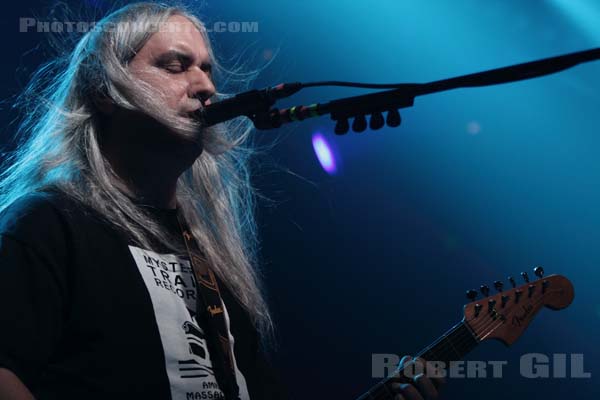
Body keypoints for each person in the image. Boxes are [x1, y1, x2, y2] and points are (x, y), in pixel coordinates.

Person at [0, 2, 442, 399]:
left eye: (208, 69)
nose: (206, 86)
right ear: (104, 90)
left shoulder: (211, 260)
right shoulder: (46, 223)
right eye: (176, 66)